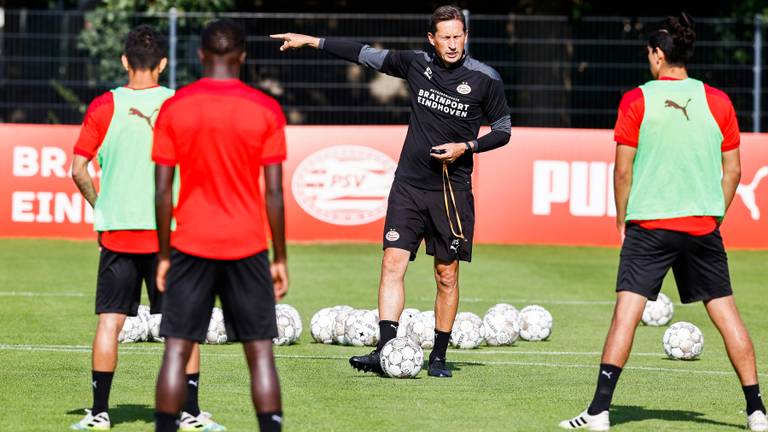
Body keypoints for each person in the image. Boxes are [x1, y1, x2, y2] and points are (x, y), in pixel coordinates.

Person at [271, 5, 510, 378]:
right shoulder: (415, 63)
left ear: (466, 36)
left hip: (451, 191)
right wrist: (312, 41)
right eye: (445, 37)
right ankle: (385, 350)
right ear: (431, 39)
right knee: (392, 262)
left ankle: (439, 357)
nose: (452, 44)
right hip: (408, 186)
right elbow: (363, 53)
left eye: (458, 36)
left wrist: (468, 147)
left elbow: (503, 129)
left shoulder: (485, 78)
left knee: (446, 275)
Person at [559, 13, 767, 431]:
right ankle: (757, 411)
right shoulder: (719, 101)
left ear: (657, 54)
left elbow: (622, 171)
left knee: (626, 314)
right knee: (727, 315)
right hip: (703, 226)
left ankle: (599, 411)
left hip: (651, 226)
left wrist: (621, 220)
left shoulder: (637, 99)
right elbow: (733, 171)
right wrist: (715, 211)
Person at [70, 25, 225, 432]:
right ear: (163, 63)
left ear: (124, 61)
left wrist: (100, 203)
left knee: (109, 322)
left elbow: (77, 169)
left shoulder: (104, 106)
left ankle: (99, 413)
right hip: (170, 237)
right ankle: (189, 413)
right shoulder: (182, 105)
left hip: (119, 233)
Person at [152, 19, 288, 432]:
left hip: (190, 244)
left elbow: (161, 192)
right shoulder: (266, 109)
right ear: (242, 56)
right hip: (246, 246)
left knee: (177, 349)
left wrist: (162, 253)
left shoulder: (175, 107)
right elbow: (275, 193)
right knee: (260, 353)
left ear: (200, 55)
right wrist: (279, 256)